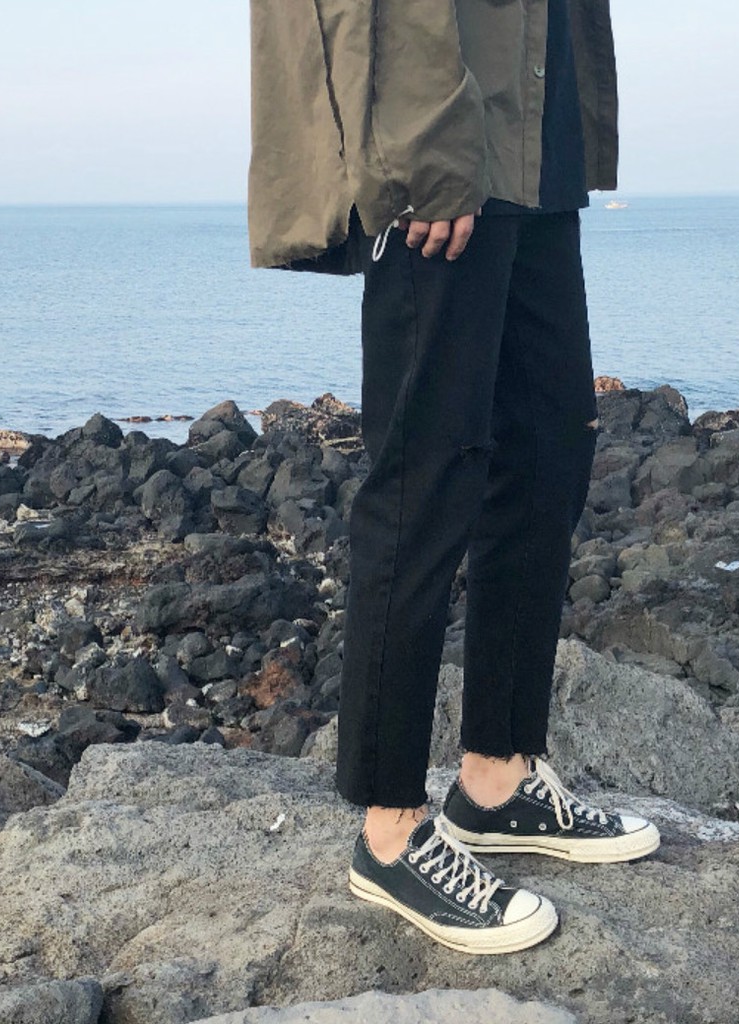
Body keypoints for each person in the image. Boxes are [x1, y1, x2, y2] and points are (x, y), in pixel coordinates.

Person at [248, 0, 659, 954]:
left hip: (534, 129)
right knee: (423, 478)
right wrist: (426, 152)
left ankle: (497, 780)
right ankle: (390, 830)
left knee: (548, 449)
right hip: (438, 139)